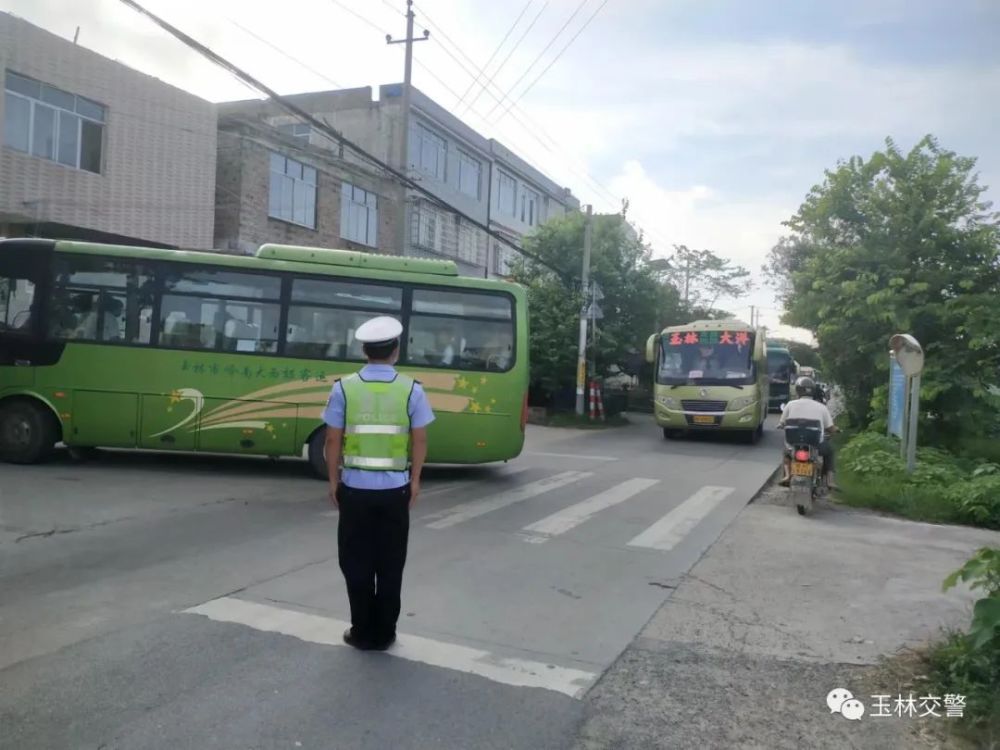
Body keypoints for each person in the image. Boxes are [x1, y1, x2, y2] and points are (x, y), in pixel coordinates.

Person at [322, 315, 435, 651]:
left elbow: (331, 439)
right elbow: (420, 440)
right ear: (395, 351)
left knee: (355, 561)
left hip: (354, 490)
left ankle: (361, 630)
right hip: (394, 492)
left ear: (364, 350)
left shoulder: (343, 388)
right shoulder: (412, 389)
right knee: (389, 562)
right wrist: (414, 481)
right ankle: (385, 632)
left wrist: (333, 481)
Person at [777, 376, 838, 489]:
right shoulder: (821, 407)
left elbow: (782, 423)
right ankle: (830, 481)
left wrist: (781, 425)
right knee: (829, 452)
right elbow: (830, 427)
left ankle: (787, 475)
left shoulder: (790, 404)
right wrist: (836, 430)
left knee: (786, 453)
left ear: (797, 390)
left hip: (793, 443)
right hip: (815, 443)